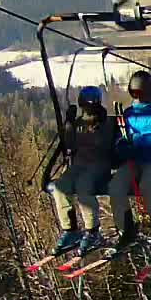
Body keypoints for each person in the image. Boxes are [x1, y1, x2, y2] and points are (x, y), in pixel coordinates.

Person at [109, 70, 151, 258]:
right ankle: (127, 229)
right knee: (116, 185)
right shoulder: (128, 114)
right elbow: (121, 137)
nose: (137, 97)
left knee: (148, 185)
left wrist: (137, 140)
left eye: (139, 94)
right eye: (134, 94)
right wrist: (122, 145)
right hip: (135, 161)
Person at [48, 86, 117, 257]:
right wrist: (70, 124)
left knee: (83, 186)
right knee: (60, 187)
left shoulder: (105, 122)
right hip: (79, 166)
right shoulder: (79, 123)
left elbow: (104, 144)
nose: (88, 108)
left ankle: (92, 231)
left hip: (99, 166)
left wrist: (93, 129)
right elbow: (70, 145)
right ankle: (70, 230)